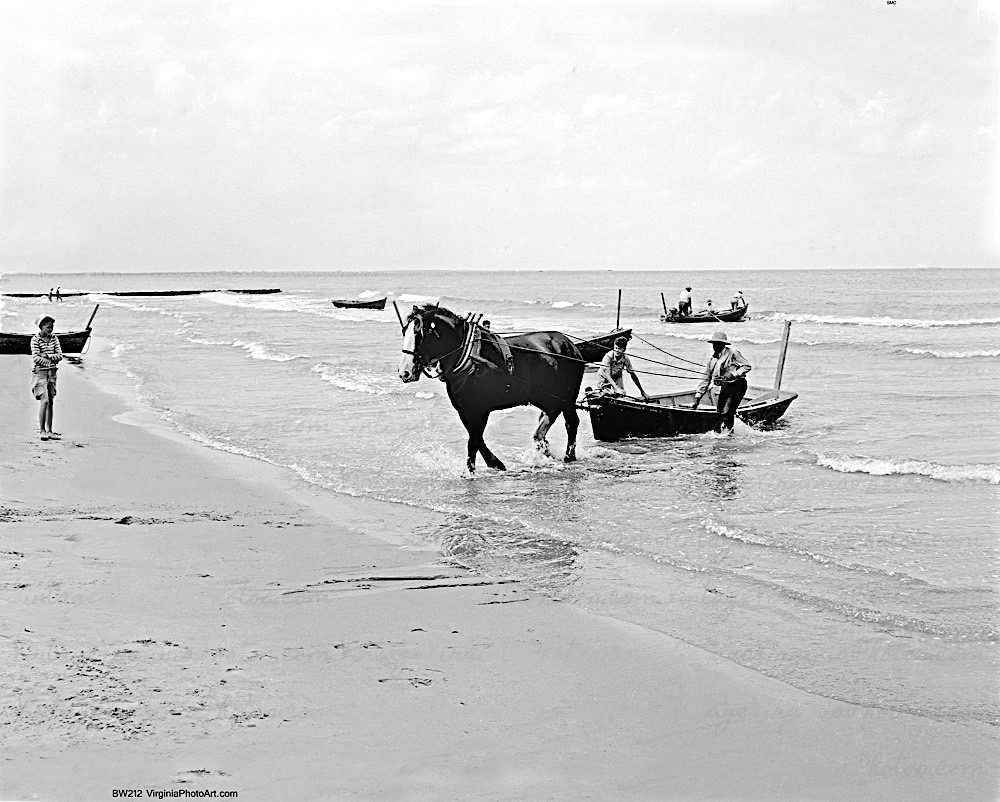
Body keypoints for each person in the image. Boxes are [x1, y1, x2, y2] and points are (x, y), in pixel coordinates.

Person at [690, 330, 752, 434]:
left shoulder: (733, 353)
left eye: (718, 344)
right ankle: (719, 434)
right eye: (714, 344)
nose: (715, 346)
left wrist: (733, 374)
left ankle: (729, 434)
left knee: (728, 412)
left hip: (738, 385)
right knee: (719, 413)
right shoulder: (712, 360)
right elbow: (706, 379)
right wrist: (697, 398)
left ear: (723, 344)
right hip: (725, 387)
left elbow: (747, 366)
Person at [31, 315, 64, 441]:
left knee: (51, 401)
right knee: (44, 401)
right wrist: (51, 360)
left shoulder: (54, 338)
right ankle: (42, 430)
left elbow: (60, 355)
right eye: (48, 327)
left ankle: (50, 431)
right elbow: (36, 358)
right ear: (41, 327)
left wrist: (47, 355)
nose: (51, 329)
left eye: (52, 327)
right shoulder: (35, 339)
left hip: (52, 373)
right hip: (40, 373)